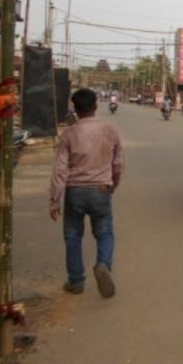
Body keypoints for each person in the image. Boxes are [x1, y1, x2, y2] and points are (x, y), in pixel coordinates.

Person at [49, 88, 124, 297]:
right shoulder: (110, 131)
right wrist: (112, 185)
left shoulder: (68, 134)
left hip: (75, 191)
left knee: (72, 236)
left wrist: (55, 200)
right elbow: (118, 164)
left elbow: (60, 169)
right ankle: (103, 264)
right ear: (95, 106)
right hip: (101, 189)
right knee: (105, 232)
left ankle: (76, 281)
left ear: (75, 109)